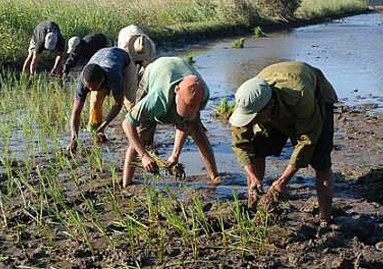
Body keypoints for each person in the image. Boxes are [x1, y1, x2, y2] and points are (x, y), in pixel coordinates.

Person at [229, 61, 338, 224]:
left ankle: (325, 219)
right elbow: (241, 144)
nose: (250, 122)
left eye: (254, 119)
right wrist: (252, 176)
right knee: (258, 147)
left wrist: (282, 181)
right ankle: (254, 200)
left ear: (268, 108)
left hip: (315, 96)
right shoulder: (247, 101)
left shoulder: (300, 95)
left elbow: (306, 141)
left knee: (320, 160)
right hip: (274, 104)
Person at [121, 57, 220, 187]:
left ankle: (214, 176)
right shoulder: (157, 98)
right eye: (185, 106)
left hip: (178, 67)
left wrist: (175, 155)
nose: (187, 112)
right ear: (176, 91)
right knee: (141, 136)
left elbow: (185, 124)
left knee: (198, 131)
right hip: (154, 73)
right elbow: (127, 123)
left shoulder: (203, 93)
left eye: (191, 109)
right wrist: (144, 155)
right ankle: (126, 183)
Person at [68, 47, 137, 151]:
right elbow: (76, 112)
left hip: (124, 61)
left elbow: (118, 104)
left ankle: (137, 136)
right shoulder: (83, 82)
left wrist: (104, 126)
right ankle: (97, 132)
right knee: (95, 100)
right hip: (101, 55)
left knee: (129, 103)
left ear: (102, 80)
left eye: (94, 87)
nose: (90, 90)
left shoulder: (114, 75)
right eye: (88, 88)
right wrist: (74, 138)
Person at [117, 25, 157, 111]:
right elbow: (127, 77)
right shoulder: (124, 48)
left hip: (143, 53)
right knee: (129, 81)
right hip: (127, 43)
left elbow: (150, 73)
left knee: (145, 78)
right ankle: (129, 109)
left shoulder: (149, 47)